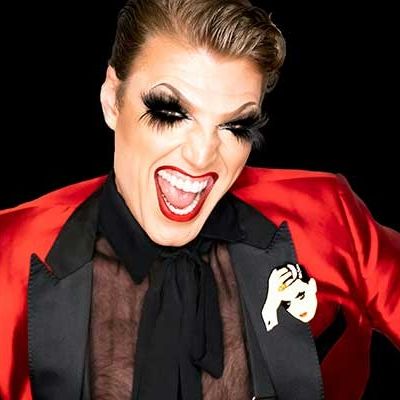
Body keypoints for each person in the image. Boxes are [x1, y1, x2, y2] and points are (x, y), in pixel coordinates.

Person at [0, 0, 399, 399]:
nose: (202, 157)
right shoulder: (9, 253)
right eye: (170, 113)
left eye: (236, 125)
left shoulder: (327, 216)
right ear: (111, 100)